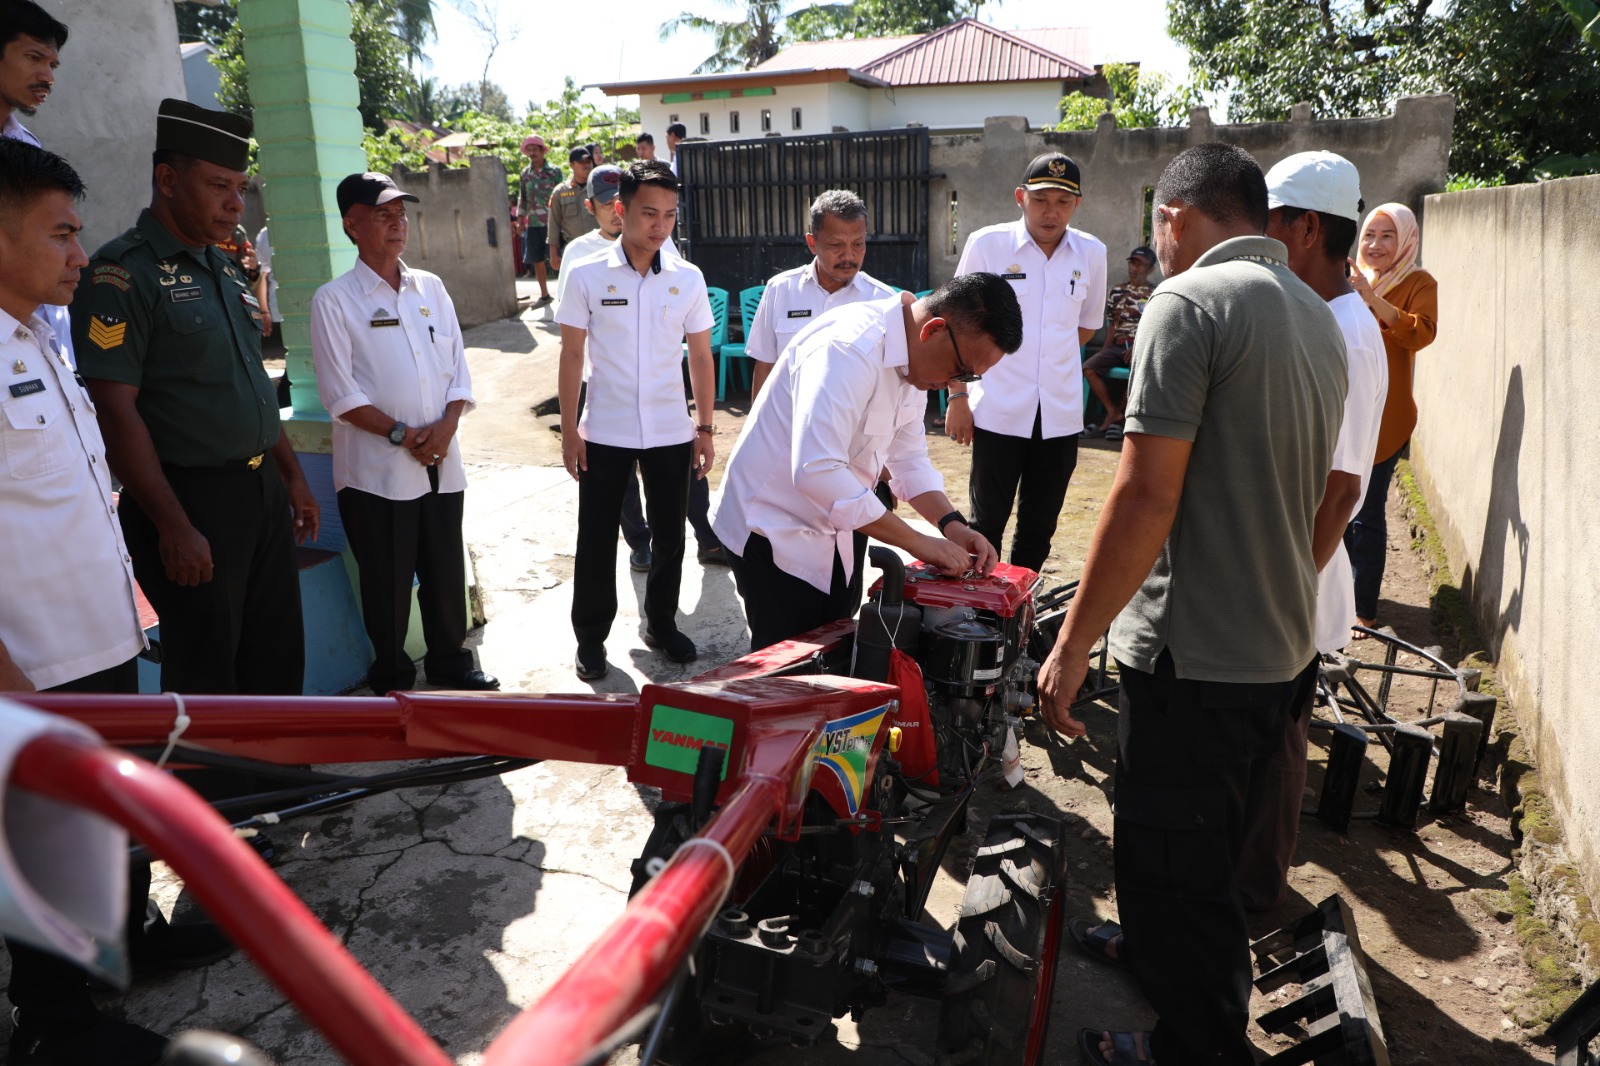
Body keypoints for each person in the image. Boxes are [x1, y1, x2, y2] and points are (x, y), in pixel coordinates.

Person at [1036, 143, 1346, 1066]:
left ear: (1172, 219)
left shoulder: (1189, 301)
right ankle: (1171, 969)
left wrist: (1075, 639)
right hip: (1278, 649)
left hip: (1195, 658)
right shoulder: (1316, 315)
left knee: (1172, 869)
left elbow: (1141, 494)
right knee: (1206, 858)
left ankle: (1195, 1048)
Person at [0, 137, 233, 1066]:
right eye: (59, 234)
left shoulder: (36, 337)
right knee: (48, 842)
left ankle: (132, 939)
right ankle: (57, 1027)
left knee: (108, 816)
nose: (78, 255)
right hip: (33, 665)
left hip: (95, 636)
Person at [73, 98, 319, 696]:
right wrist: (173, 524)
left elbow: (251, 383)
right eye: (218, 186)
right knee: (210, 671)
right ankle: (216, 792)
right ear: (167, 180)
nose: (236, 203)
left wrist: (290, 476)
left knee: (277, 652)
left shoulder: (224, 267)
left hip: (258, 493)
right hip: (191, 501)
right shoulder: (121, 275)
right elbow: (114, 409)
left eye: (240, 187)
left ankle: (285, 786)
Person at [1235, 150, 1389, 911]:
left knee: (1272, 751)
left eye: (1265, 222)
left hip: (1295, 579)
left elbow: (1342, 489)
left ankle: (1252, 901)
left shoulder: (1350, 332)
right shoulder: (1315, 315)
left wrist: (1285, 598)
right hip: (1280, 572)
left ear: (1301, 229)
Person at [713, 274, 1021, 651]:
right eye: (962, 371)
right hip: (771, 527)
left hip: (841, 525)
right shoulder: (846, 350)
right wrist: (917, 543)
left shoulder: (917, 365)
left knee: (836, 645)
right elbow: (817, 470)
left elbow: (908, 460)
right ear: (935, 330)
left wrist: (952, 525)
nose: (956, 383)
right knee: (787, 663)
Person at [309, 172, 499, 694]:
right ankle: (391, 677)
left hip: (441, 460)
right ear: (352, 225)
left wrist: (445, 428)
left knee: (444, 572)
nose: (398, 225)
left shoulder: (430, 289)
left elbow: (458, 369)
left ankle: (451, 662)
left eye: (402, 215)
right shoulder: (335, 300)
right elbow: (339, 395)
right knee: (387, 582)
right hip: (378, 474)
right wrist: (402, 435)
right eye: (383, 215)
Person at [556, 160, 715, 680]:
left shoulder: (688, 278)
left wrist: (706, 427)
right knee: (597, 539)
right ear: (620, 210)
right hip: (605, 430)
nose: (660, 225)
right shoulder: (585, 274)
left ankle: (661, 625)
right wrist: (570, 430)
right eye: (649, 213)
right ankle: (590, 638)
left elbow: (700, 357)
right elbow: (572, 358)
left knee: (671, 535)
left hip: (671, 430)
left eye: (670, 215)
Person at [945, 153, 1107, 573]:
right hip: (999, 410)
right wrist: (958, 395)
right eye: (1041, 200)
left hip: (1059, 415)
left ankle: (1019, 616)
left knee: (1039, 528)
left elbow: (1085, 327)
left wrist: (1047, 363)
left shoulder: (1091, 253)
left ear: (1077, 204)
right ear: (1021, 197)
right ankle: (979, 619)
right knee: (986, 524)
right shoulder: (988, 245)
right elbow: (954, 327)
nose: (1051, 212)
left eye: (1063, 202)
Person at [1346, 201, 1437, 634]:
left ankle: (1363, 609)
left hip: (1385, 418)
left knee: (1367, 513)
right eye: (1370, 235)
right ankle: (1334, 597)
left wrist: (1370, 298)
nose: (1376, 244)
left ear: (1405, 240)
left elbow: (1420, 332)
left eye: (1387, 236)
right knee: (1335, 505)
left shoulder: (1417, 281)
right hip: (1343, 410)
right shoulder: (1345, 278)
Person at [746, 189, 897, 400]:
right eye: (836, 245)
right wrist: (759, 430)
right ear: (812, 243)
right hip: (789, 428)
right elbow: (765, 365)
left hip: (856, 431)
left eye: (858, 244)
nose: (849, 256)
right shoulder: (780, 291)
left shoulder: (884, 301)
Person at [0, 1, 72, 367]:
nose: (48, 76)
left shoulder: (27, 148)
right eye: (34, 58)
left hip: (43, 348)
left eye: (52, 64)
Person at [1081, 245, 1156, 436]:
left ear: (1150, 270)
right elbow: (1112, 324)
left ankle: (1121, 418)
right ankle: (1112, 412)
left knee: (1139, 374)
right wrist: (1104, 351)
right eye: (1132, 263)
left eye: (1139, 265)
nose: (1134, 268)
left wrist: (1139, 347)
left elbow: (1154, 327)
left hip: (1140, 347)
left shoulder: (1156, 294)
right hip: (1117, 346)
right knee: (1089, 368)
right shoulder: (1116, 291)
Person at [514, 134, 561, 305]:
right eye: (530, 149)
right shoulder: (525, 174)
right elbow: (523, 198)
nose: (533, 153)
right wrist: (520, 221)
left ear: (542, 151)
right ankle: (544, 295)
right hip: (533, 224)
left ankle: (566, 293)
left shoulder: (554, 172)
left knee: (559, 258)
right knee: (537, 259)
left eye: (536, 149)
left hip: (553, 223)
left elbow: (560, 195)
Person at [548, 146, 596, 274]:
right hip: (574, 251)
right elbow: (554, 225)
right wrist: (553, 255)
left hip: (599, 247)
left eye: (588, 161)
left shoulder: (599, 187)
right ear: (572, 165)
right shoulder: (560, 192)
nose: (586, 165)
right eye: (582, 162)